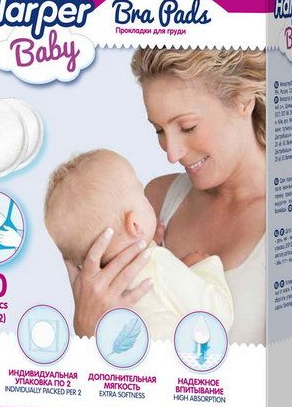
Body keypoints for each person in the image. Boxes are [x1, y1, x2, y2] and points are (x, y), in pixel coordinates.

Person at [68, 48, 266, 346]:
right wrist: (87, 327)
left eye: (187, 127)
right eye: (159, 130)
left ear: (242, 100)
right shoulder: (154, 203)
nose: (172, 153)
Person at [44, 149, 234, 340]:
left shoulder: (99, 301)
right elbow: (218, 318)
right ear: (135, 224)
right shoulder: (157, 264)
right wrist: (204, 267)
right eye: (142, 195)